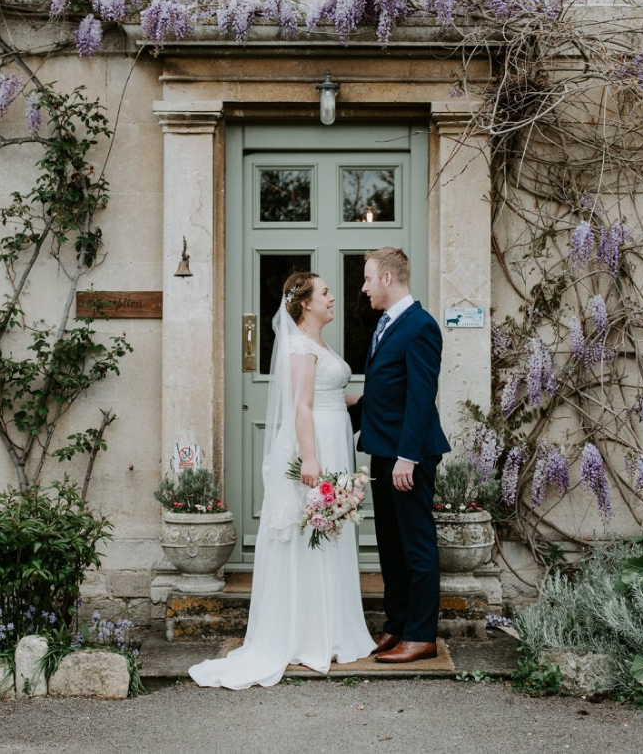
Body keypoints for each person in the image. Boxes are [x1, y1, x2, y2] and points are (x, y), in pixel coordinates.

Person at [188, 272, 374, 688]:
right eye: (325, 293)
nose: (332, 298)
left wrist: (370, 399)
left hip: (332, 435)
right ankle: (308, 634)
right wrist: (310, 459)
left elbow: (326, 396)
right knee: (311, 533)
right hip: (316, 445)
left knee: (329, 533)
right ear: (305, 303)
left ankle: (332, 627)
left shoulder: (319, 344)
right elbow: (301, 406)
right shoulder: (299, 345)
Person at [352, 247, 450, 664]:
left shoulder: (421, 326)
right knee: (390, 544)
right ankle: (396, 623)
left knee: (416, 544)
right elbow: (389, 387)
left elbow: (420, 398)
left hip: (408, 456)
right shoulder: (388, 324)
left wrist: (408, 457)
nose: (364, 287)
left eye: (368, 279)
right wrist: (352, 407)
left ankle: (421, 634)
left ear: (388, 279)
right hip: (383, 450)